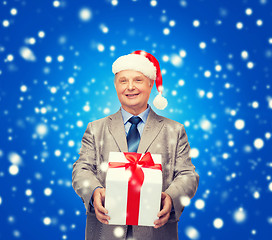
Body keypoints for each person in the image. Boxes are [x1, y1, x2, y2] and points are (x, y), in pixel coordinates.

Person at [72, 50, 199, 240]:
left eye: (138, 80)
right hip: (105, 230)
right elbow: (81, 169)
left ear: (151, 84)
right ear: (115, 85)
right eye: (123, 81)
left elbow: (188, 175)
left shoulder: (174, 130)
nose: (130, 87)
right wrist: (94, 191)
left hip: (156, 232)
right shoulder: (95, 129)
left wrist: (171, 198)